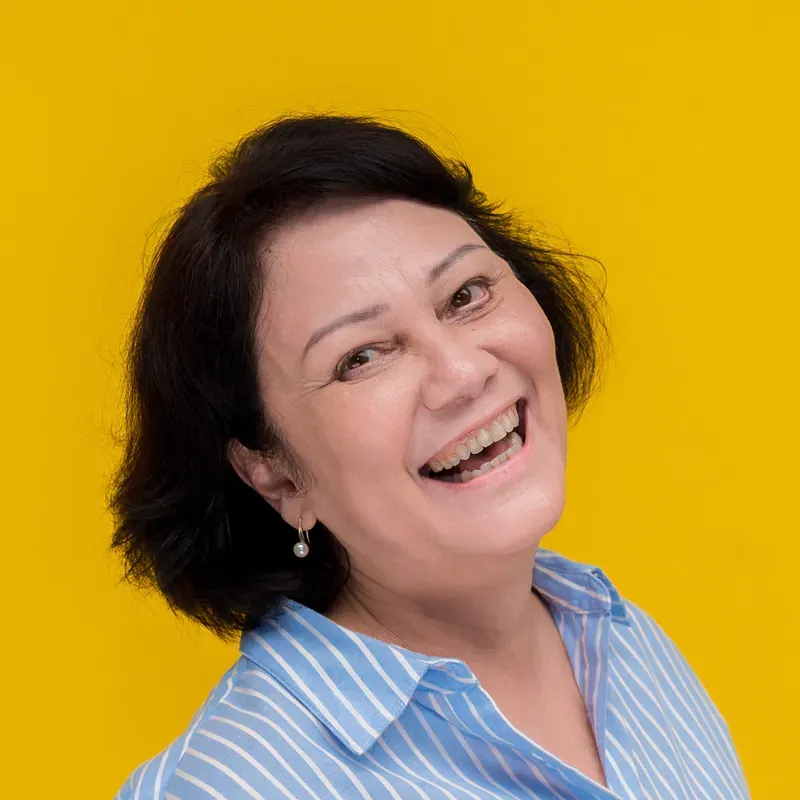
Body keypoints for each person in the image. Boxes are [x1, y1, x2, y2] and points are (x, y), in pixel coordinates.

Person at [110, 113, 749, 800]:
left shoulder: (621, 640)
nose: (462, 373)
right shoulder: (239, 785)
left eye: (466, 295)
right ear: (275, 471)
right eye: (361, 358)